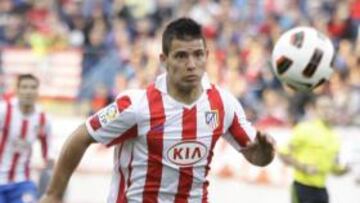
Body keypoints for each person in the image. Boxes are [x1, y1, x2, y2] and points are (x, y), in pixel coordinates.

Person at [39, 17, 275, 203]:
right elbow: (82, 136)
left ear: (207, 56)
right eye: (181, 56)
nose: (191, 64)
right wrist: (54, 194)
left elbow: (256, 156)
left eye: (197, 54)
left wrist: (266, 154)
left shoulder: (223, 104)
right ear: (164, 60)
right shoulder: (136, 106)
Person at [278, 95, 349, 203]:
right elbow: (283, 153)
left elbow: (334, 167)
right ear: (315, 110)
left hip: (321, 190)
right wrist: (304, 167)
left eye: (330, 107)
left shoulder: (335, 137)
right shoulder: (305, 128)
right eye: (323, 108)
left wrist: (343, 170)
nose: (327, 111)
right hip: (302, 187)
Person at [0, 74, 53, 203]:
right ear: (17, 90)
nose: (28, 91)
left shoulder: (43, 119)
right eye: (24, 87)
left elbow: (48, 156)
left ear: (37, 91)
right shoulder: (4, 110)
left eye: (33, 87)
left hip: (23, 181)